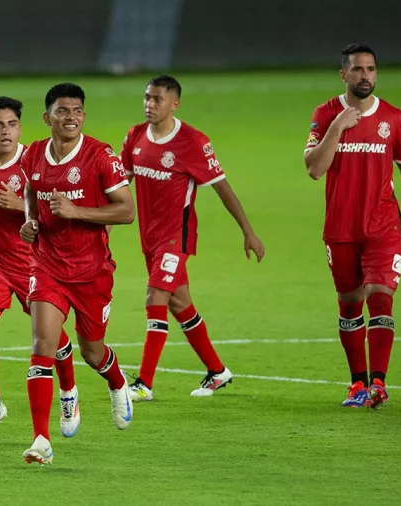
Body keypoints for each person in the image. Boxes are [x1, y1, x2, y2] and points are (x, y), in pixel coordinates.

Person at [303, 43, 401, 409]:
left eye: (371, 69)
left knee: (380, 296)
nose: (366, 76)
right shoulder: (325, 113)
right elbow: (315, 168)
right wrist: (336, 126)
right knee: (350, 304)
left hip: (383, 227)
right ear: (343, 74)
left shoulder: (392, 117)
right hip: (341, 229)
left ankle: (378, 383)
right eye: (358, 70)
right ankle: (356, 384)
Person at [120, 75, 264, 401]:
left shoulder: (192, 142)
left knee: (155, 297)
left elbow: (222, 187)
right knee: (179, 303)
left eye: (157, 99)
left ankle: (143, 383)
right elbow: (119, 188)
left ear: (175, 104)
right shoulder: (135, 137)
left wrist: (248, 231)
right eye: (146, 97)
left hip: (176, 237)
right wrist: (104, 230)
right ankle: (217, 371)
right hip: (149, 239)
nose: (149, 104)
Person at [19, 83, 135, 465]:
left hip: (92, 272)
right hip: (47, 266)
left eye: (77, 111)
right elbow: (31, 194)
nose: (71, 117)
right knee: (42, 348)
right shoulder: (33, 153)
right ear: (46, 117)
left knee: (92, 351)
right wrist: (30, 221)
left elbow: (125, 211)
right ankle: (41, 439)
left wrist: (77, 211)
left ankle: (117, 382)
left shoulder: (101, 156)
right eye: (63, 110)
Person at [0, 96, 80, 443]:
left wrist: (22, 206)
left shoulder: (34, 161)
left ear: (20, 128)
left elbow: (58, 211)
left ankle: (69, 392)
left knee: (51, 338)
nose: (6, 131)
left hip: (35, 262)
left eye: (12, 124)